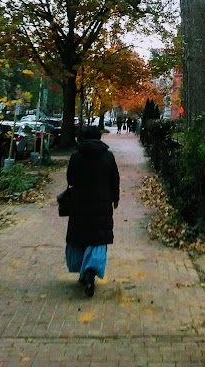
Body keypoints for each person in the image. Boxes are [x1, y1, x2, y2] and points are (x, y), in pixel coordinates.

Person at [65, 126, 120, 297]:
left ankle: (83, 270)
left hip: (79, 202)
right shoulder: (108, 156)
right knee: (98, 238)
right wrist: (115, 198)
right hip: (101, 202)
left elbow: (70, 178)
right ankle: (91, 271)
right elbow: (114, 178)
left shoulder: (76, 156)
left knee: (80, 235)